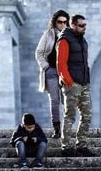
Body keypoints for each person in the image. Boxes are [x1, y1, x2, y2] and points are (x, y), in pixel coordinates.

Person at [57, 14, 92, 157]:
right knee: (70, 116)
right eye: (81, 25)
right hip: (72, 84)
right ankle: (66, 147)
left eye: (85, 25)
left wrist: (87, 81)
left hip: (84, 83)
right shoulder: (65, 40)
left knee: (87, 115)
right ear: (73, 25)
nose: (84, 28)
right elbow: (61, 64)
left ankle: (81, 145)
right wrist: (68, 82)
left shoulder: (83, 41)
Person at [35, 9, 69, 139]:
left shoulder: (70, 36)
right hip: (52, 72)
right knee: (54, 100)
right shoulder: (48, 35)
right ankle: (57, 129)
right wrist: (46, 67)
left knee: (67, 100)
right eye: (60, 22)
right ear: (55, 23)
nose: (62, 25)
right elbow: (39, 53)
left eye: (65, 22)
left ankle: (67, 128)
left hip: (66, 73)